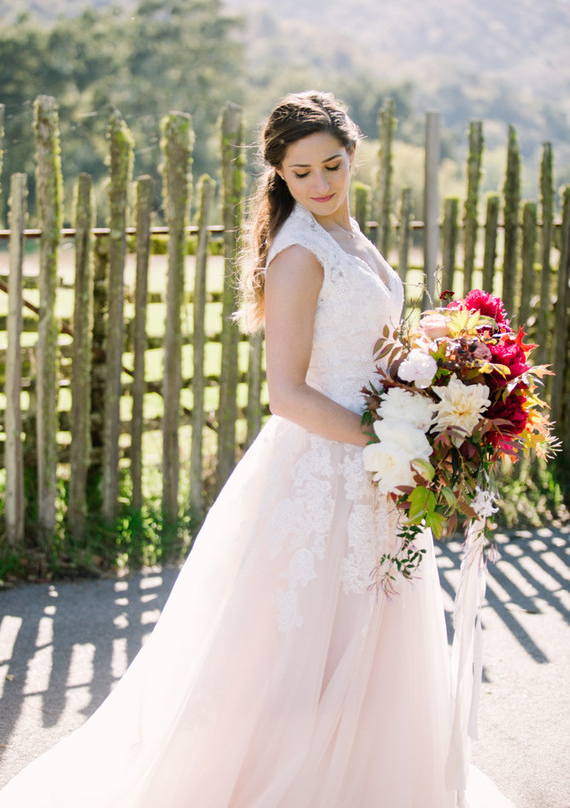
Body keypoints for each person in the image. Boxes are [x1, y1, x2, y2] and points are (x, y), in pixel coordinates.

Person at [0, 91, 513, 807]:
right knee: (294, 652)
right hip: (325, 469)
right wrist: (394, 438)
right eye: (302, 173)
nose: (322, 184)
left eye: (332, 165)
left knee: (373, 638)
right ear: (280, 173)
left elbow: (362, 349)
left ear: (353, 154)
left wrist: (416, 383)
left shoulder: (351, 235)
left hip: (379, 466)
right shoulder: (300, 253)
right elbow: (288, 394)